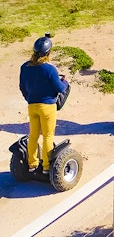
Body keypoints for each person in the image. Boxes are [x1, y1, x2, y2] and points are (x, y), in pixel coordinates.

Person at [19, 35, 69, 174]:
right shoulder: (49, 69)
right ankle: (47, 167)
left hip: (32, 106)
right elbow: (60, 88)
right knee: (48, 136)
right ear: (48, 53)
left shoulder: (25, 67)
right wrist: (65, 82)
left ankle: (32, 164)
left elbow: (22, 87)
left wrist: (29, 98)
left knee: (33, 135)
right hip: (47, 107)